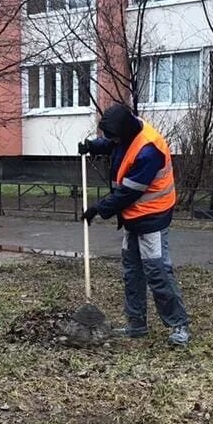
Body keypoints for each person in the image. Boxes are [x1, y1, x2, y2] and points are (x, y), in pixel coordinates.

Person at [79, 103, 191, 346]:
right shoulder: (128, 131)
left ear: (125, 132)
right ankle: (136, 323)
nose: (113, 140)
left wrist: (99, 208)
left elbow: (127, 193)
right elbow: (114, 144)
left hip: (152, 217)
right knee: (132, 272)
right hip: (132, 217)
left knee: (157, 272)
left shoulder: (149, 151)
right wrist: (92, 146)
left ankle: (178, 325)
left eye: (114, 136)